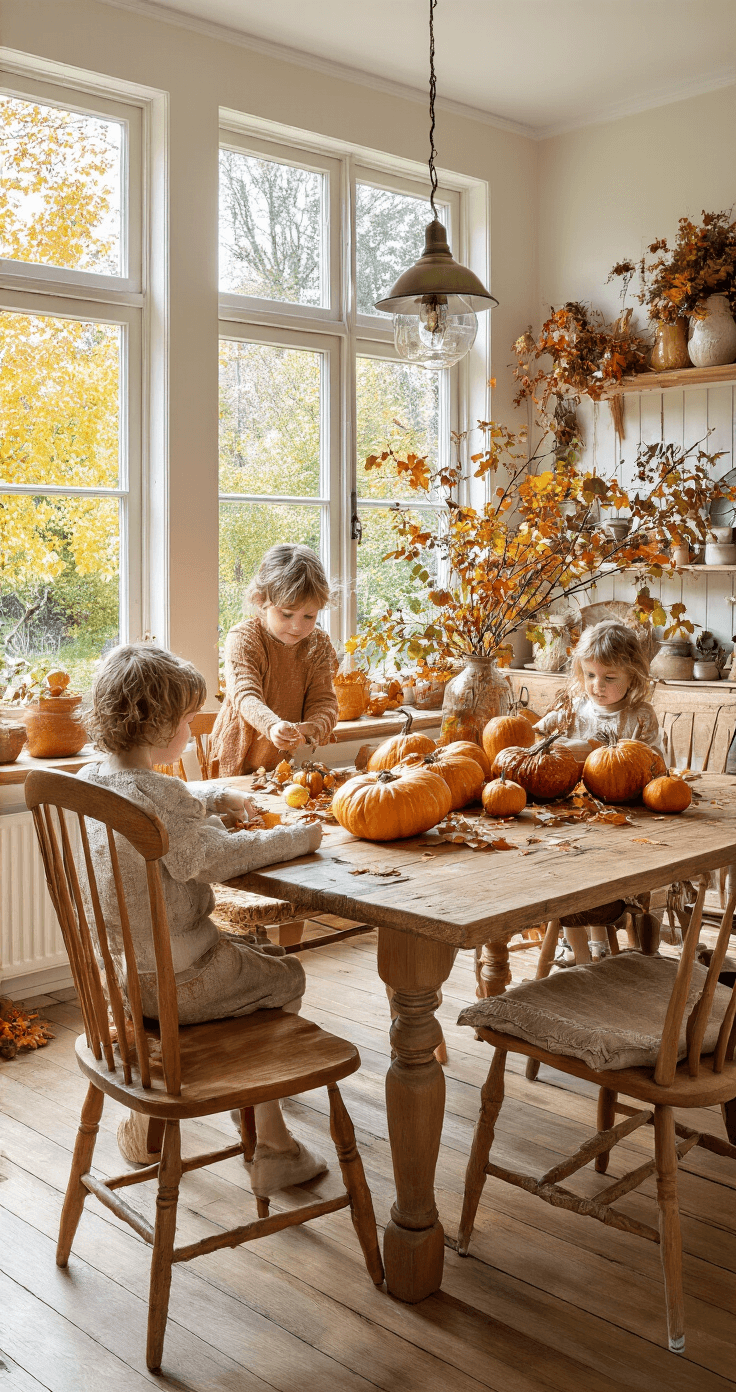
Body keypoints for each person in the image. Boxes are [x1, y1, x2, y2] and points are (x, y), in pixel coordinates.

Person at [79, 642, 328, 1196]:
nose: (192, 731)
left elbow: (170, 803)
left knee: (261, 955)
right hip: (182, 983)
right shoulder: (155, 796)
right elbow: (207, 858)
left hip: (119, 985)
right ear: (156, 725)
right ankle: (272, 1141)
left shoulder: (98, 780)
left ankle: (217, 1114)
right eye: (188, 720)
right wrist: (297, 837)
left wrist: (218, 797)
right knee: (286, 977)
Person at [534, 619, 666, 965]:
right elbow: (537, 738)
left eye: (609, 679)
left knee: (596, 874)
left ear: (632, 678)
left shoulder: (639, 717)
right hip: (576, 813)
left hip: (624, 818)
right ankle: (576, 945)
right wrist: (555, 741)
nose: (597, 686)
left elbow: (657, 766)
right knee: (560, 865)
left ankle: (598, 941)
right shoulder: (574, 709)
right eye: (590, 675)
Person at [210, 543, 338, 776]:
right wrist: (272, 725)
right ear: (261, 600)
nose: (298, 626)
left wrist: (313, 727)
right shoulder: (245, 638)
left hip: (281, 764)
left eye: (309, 615)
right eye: (287, 614)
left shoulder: (318, 645)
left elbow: (324, 702)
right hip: (234, 759)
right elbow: (245, 695)